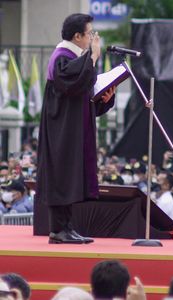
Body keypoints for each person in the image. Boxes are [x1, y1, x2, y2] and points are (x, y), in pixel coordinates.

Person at [36, 13, 115, 244]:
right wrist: (92, 58)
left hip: (71, 132)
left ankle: (67, 228)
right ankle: (58, 230)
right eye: (89, 33)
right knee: (62, 178)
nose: (92, 38)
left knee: (69, 178)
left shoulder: (74, 58)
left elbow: (82, 98)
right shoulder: (61, 57)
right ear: (77, 36)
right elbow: (71, 86)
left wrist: (103, 98)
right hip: (60, 133)